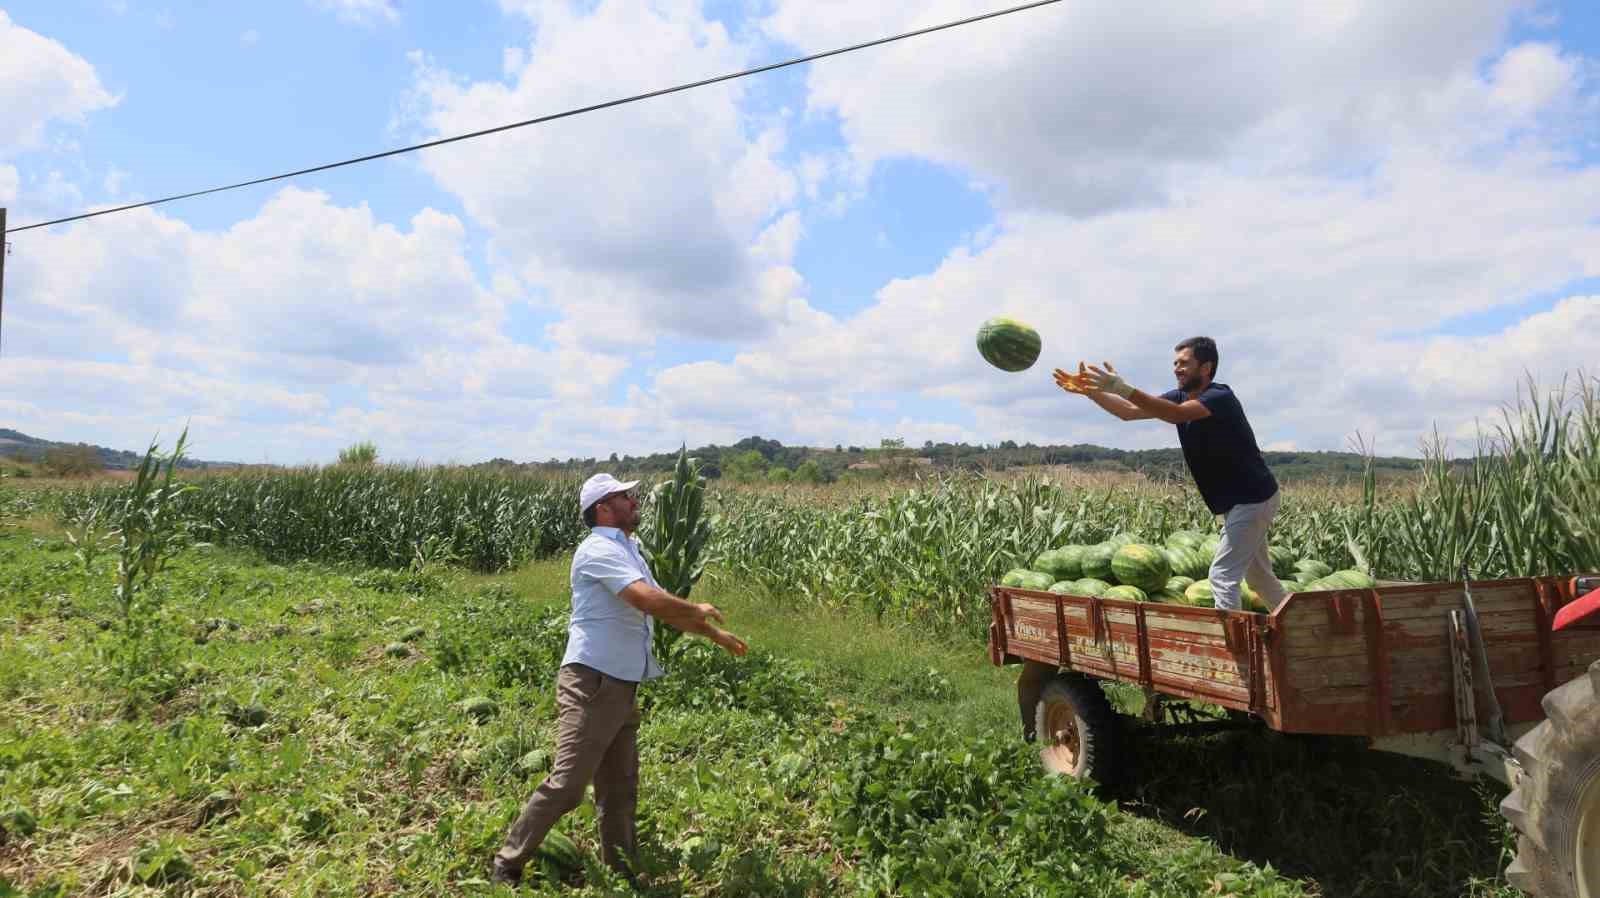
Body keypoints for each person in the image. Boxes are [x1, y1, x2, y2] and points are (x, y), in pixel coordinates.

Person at [490, 472, 748, 886]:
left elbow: (665, 607)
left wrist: (714, 633)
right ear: (602, 509)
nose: (634, 501)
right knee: (570, 785)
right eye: (624, 497)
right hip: (592, 681)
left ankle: (621, 868)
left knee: (620, 785)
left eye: (632, 495)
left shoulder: (630, 551)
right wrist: (697, 608)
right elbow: (645, 599)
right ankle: (507, 861)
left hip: (623, 681)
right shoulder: (597, 550)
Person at [1054, 336, 1286, 615]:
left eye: (1184, 363)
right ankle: (1300, 627)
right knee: (1259, 578)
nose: (1177, 368)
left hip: (1253, 498)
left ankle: (1234, 653)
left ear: (1206, 367)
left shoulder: (1219, 396)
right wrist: (1092, 392)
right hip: (1240, 502)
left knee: (1222, 576)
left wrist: (1121, 387)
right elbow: (1128, 413)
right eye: (1175, 363)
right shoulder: (1179, 396)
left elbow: (1175, 415)